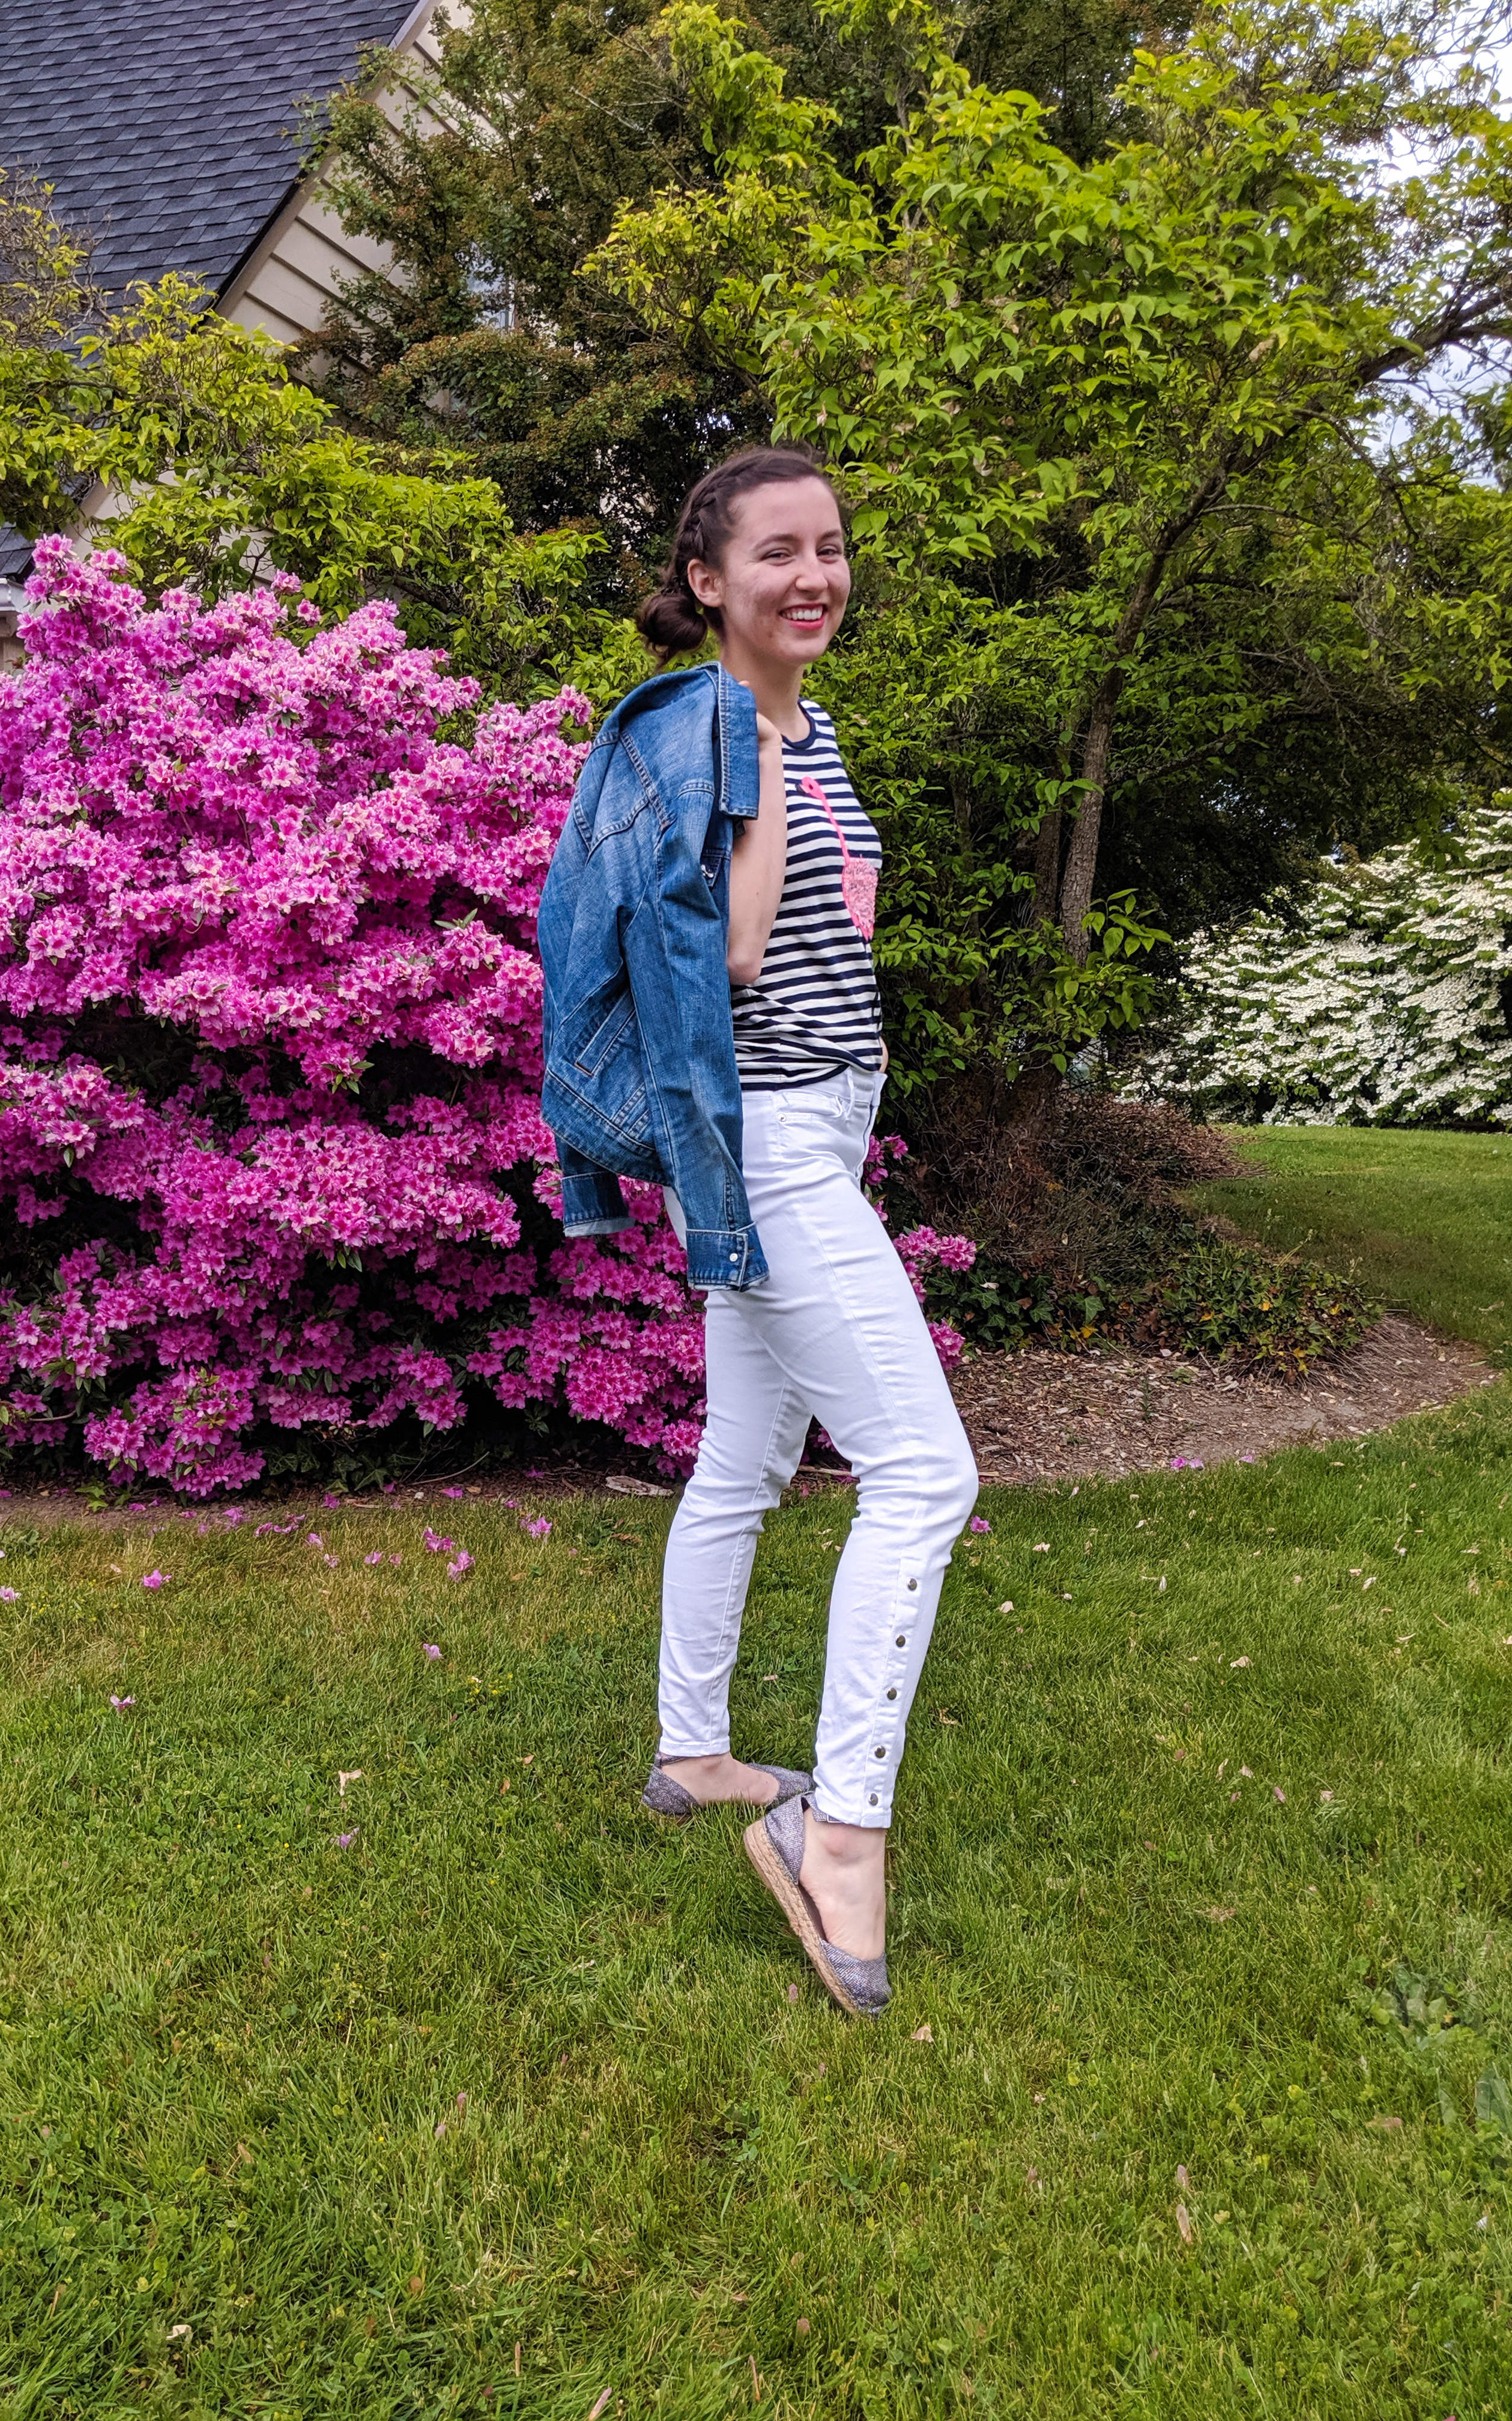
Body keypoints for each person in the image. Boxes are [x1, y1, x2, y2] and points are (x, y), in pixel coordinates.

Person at [629, 450, 979, 2019]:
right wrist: (761, 792)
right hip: (766, 1144)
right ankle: (836, 1832)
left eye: (832, 547)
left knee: (743, 1458)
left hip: (810, 1122)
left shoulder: (803, 724)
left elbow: (838, 923)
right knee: (924, 1472)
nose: (814, 577)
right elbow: (740, 968)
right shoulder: (713, 734)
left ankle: (695, 1750)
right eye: (778, 552)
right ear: (710, 580)